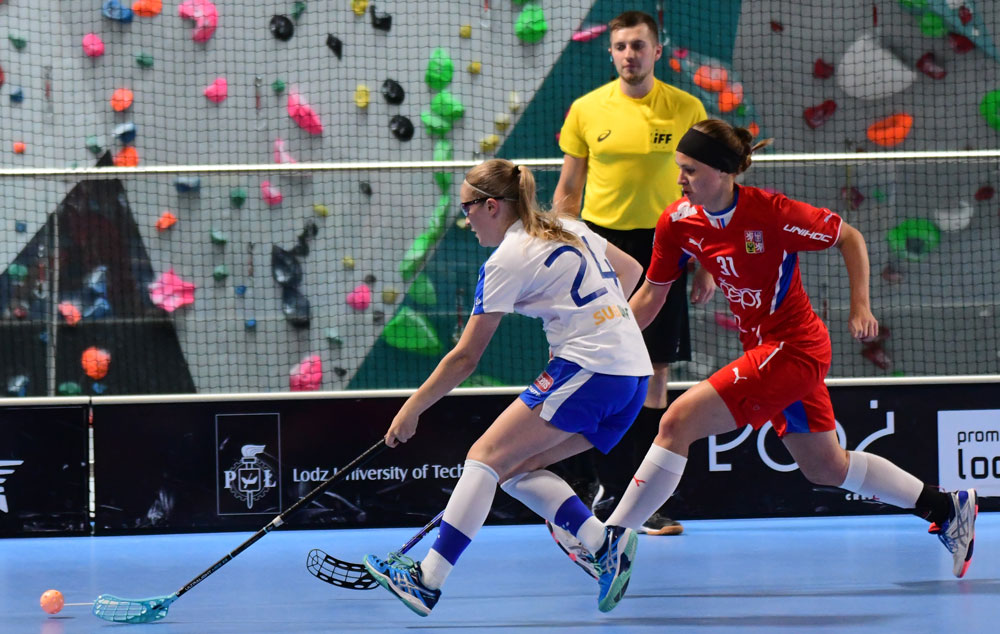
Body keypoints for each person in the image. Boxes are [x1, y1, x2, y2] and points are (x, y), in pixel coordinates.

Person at [561, 119, 978, 601]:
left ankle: (613, 540)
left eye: (690, 170)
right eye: (679, 168)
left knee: (676, 421)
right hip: (762, 349)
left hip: (794, 348)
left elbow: (849, 237)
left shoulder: (773, 213)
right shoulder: (677, 221)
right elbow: (652, 293)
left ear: (723, 172)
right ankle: (945, 507)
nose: (680, 179)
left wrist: (860, 305)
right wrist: (607, 338)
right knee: (825, 467)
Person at [363, 159, 652, 616]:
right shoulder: (567, 226)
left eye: (467, 208)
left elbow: (466, 357)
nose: (465, 219)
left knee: (483, 458)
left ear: (491, 206)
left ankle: (426, 580)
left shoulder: (506, 259)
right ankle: (602, 544)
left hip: (591, 369)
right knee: (513, 469)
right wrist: (604, 327)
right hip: (633, 374)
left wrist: (412, 408)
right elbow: (632, 271)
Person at [551, 9, 714, 537]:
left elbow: (702, 190)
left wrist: (705, 261)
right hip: (601, 249)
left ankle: (636, 500)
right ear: (611, 52)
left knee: (654, 372)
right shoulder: (586, 109)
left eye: (638, 46)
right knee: (589, 363)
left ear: (656, 51)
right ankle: (588, 484)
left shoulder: (686, 108)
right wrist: (560, 255)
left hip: (666, 246)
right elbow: (568, 190)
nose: (629, 55)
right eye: (621, 46)